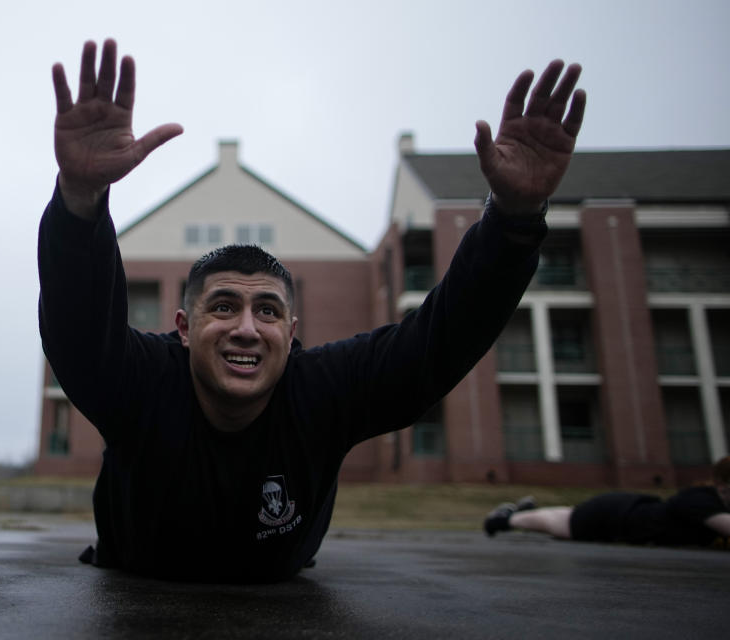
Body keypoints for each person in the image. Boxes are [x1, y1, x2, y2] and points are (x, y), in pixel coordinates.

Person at [38, 38, 586, 581]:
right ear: (184, 326)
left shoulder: (322, 392)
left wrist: (514, 216)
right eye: (224, 306)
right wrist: (81, 198)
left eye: (268, 312)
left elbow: (440, 342)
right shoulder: (142, 382)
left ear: (292, 331)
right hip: (135, 595)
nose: (247, 330)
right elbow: (80, 331)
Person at [484, 456, 730, 547]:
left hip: (625, 512)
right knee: (563, 524)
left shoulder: (710, 500)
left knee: (566, 518)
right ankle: (506, 519)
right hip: (618, 516)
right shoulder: (702, 500)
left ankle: (520, 513)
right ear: (722, 485)